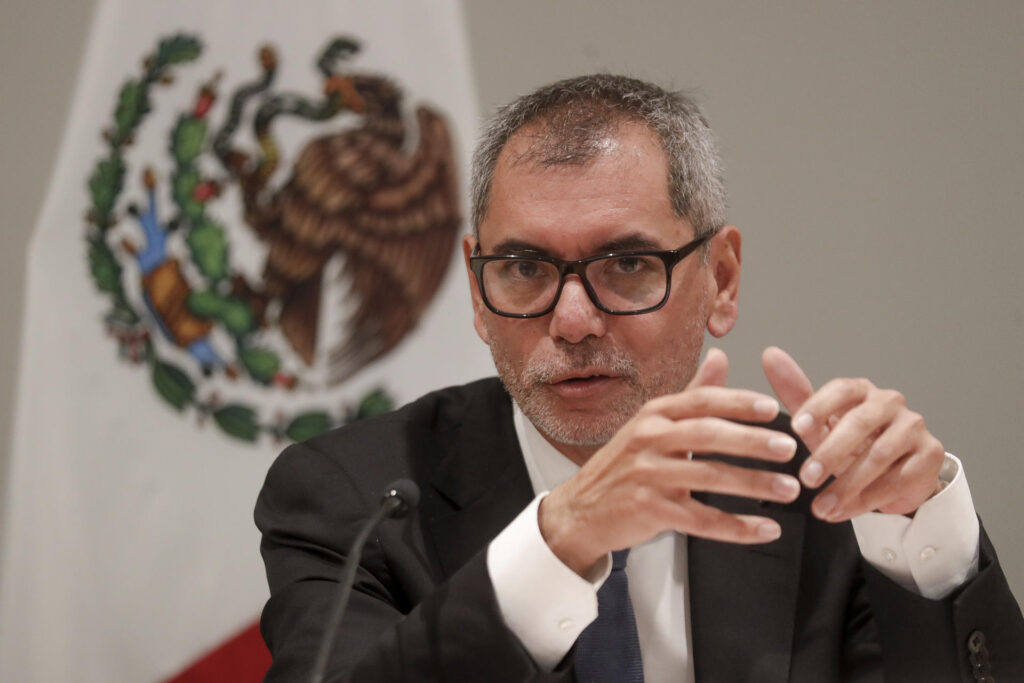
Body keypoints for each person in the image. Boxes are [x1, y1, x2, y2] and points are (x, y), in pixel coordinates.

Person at [255, 74, 1024, 682]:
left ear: (721, 279)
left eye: (626, 263)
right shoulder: (354, 499)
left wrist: (928, 536)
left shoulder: (823, 496)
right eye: (523, 268)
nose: (573, 320)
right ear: (477, 291)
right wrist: (559, 541)